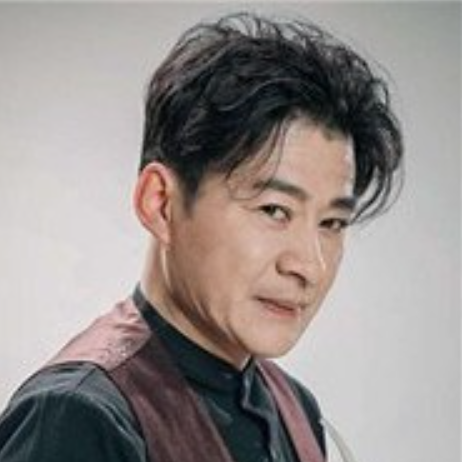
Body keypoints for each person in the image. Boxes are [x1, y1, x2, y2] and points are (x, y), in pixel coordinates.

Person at [0, 11, 403, 462]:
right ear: (160, 204)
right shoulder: (77, 416)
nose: (309, 266)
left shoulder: (295, 408)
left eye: (332, 223)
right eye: (274, 210)